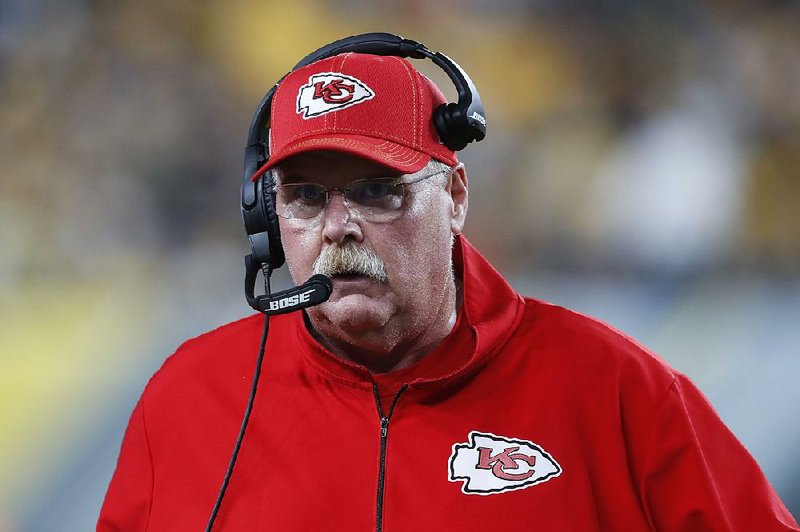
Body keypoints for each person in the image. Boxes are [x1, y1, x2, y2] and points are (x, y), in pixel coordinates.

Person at [98, 39, 799, 531]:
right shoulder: (190, 397)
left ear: (456, 196)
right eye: (306, 198)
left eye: (377, 191)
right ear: (269, 217)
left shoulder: (618, 391)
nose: (338, 228)